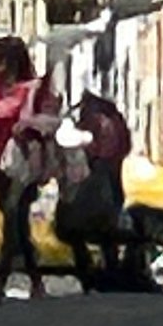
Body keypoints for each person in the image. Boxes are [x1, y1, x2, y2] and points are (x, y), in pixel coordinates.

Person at [0, 38, 52, 303]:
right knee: (17, 225)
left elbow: (44, 126)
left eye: (0, 58)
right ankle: (35, 281)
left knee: (12, 218)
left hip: (22, 166)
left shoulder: (31, 91)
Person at [56, 72, 132, 290]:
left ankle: (90, 275)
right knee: (107, 234)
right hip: (112, 179)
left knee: (73, 228)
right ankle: (110, 273)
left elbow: (90, 147)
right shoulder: (115, 119)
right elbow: (124, 147)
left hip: (95, 181)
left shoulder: (95, 120)